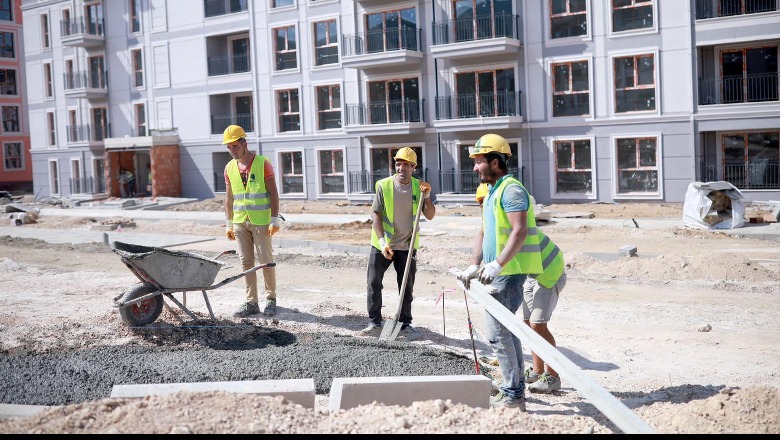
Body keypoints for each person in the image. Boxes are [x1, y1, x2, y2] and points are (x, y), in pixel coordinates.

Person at [457, 133, 546, 412]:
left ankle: (513, 396)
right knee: (507, 333)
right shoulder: (494, 190)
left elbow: (518, 232)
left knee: (498, 335)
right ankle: (514, 391)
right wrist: (475, 263)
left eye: (479, 162)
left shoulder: (512, 190)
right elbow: (484, 231)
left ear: (495, 162)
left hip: (509, 272)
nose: (474, 168)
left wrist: (497, 265)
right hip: (499, 272)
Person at [475, 181, 567, 394]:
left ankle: (553, 377)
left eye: (484, 202)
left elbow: (509, 252)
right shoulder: (496, 226)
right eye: (480, 203)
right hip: (532, 274)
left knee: (538, 326)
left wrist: (495, 267)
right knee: (527, 325)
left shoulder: (510, 224)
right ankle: (536, 370)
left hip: (549, 273)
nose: (483, 208)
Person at [361, 147, 435, 337]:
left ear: (413, 167)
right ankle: (374, 322)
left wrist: (427, 197)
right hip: (383, 244)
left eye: (405, 164)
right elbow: (376, 215)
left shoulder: (420, 187)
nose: (401, 167)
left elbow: (430, 215)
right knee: (373, 283)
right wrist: (382, 241)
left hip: (407, 246)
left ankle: (405, 323)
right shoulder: (383, 185)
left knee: (406, 286)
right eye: (398, 163)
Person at [222, 124, 281, 318]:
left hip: (261, 221)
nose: (232, 151)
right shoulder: (229, 168)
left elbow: (273, 193)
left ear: (244, 143)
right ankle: (251, 302)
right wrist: (229, 224)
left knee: (266, 261)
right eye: (229, 148)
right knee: (246, 263)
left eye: (235, 146)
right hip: (240, 222)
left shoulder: (262, 163)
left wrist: (274, 219)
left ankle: (271, 299)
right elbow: (229, 198)